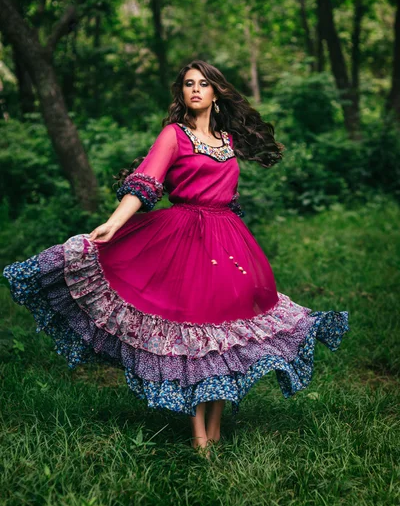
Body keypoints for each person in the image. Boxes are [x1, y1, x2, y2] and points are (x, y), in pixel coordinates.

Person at [3, 60, 349, 458]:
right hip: (184, 235)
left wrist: (233, 246)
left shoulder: (228, 141)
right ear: (181, 93)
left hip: (228, 239)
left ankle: (215, 429)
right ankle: (199, 437)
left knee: (223, 331)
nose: (196, 90)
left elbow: (228, 196)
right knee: (193, 332)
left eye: (204, 84)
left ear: (216, 92)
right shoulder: (174, 135)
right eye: (189, 84)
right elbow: (146, 181)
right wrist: (114, 223)